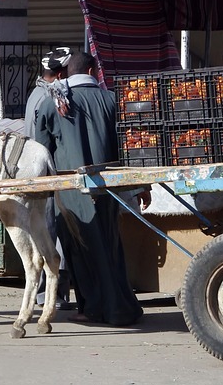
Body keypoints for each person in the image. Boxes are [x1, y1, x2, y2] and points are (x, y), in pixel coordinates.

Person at [34, 51, 150, 326]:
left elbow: (39, 153)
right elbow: (132, 150)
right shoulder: (112, 100)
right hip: (107, 190)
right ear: (92, 71)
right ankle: (121, 306)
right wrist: (141, 187)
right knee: (109, 247)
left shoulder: (53, 104)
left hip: (68, 194)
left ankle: (94, 308)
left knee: (79, 251)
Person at [23, 47, 73, 309]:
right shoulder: (53, 97)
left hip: (34, 171)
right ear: (62, 72)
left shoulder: (36, 94)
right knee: (50, 232)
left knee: (42, 230)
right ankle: (50, 293)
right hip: (46, 173)